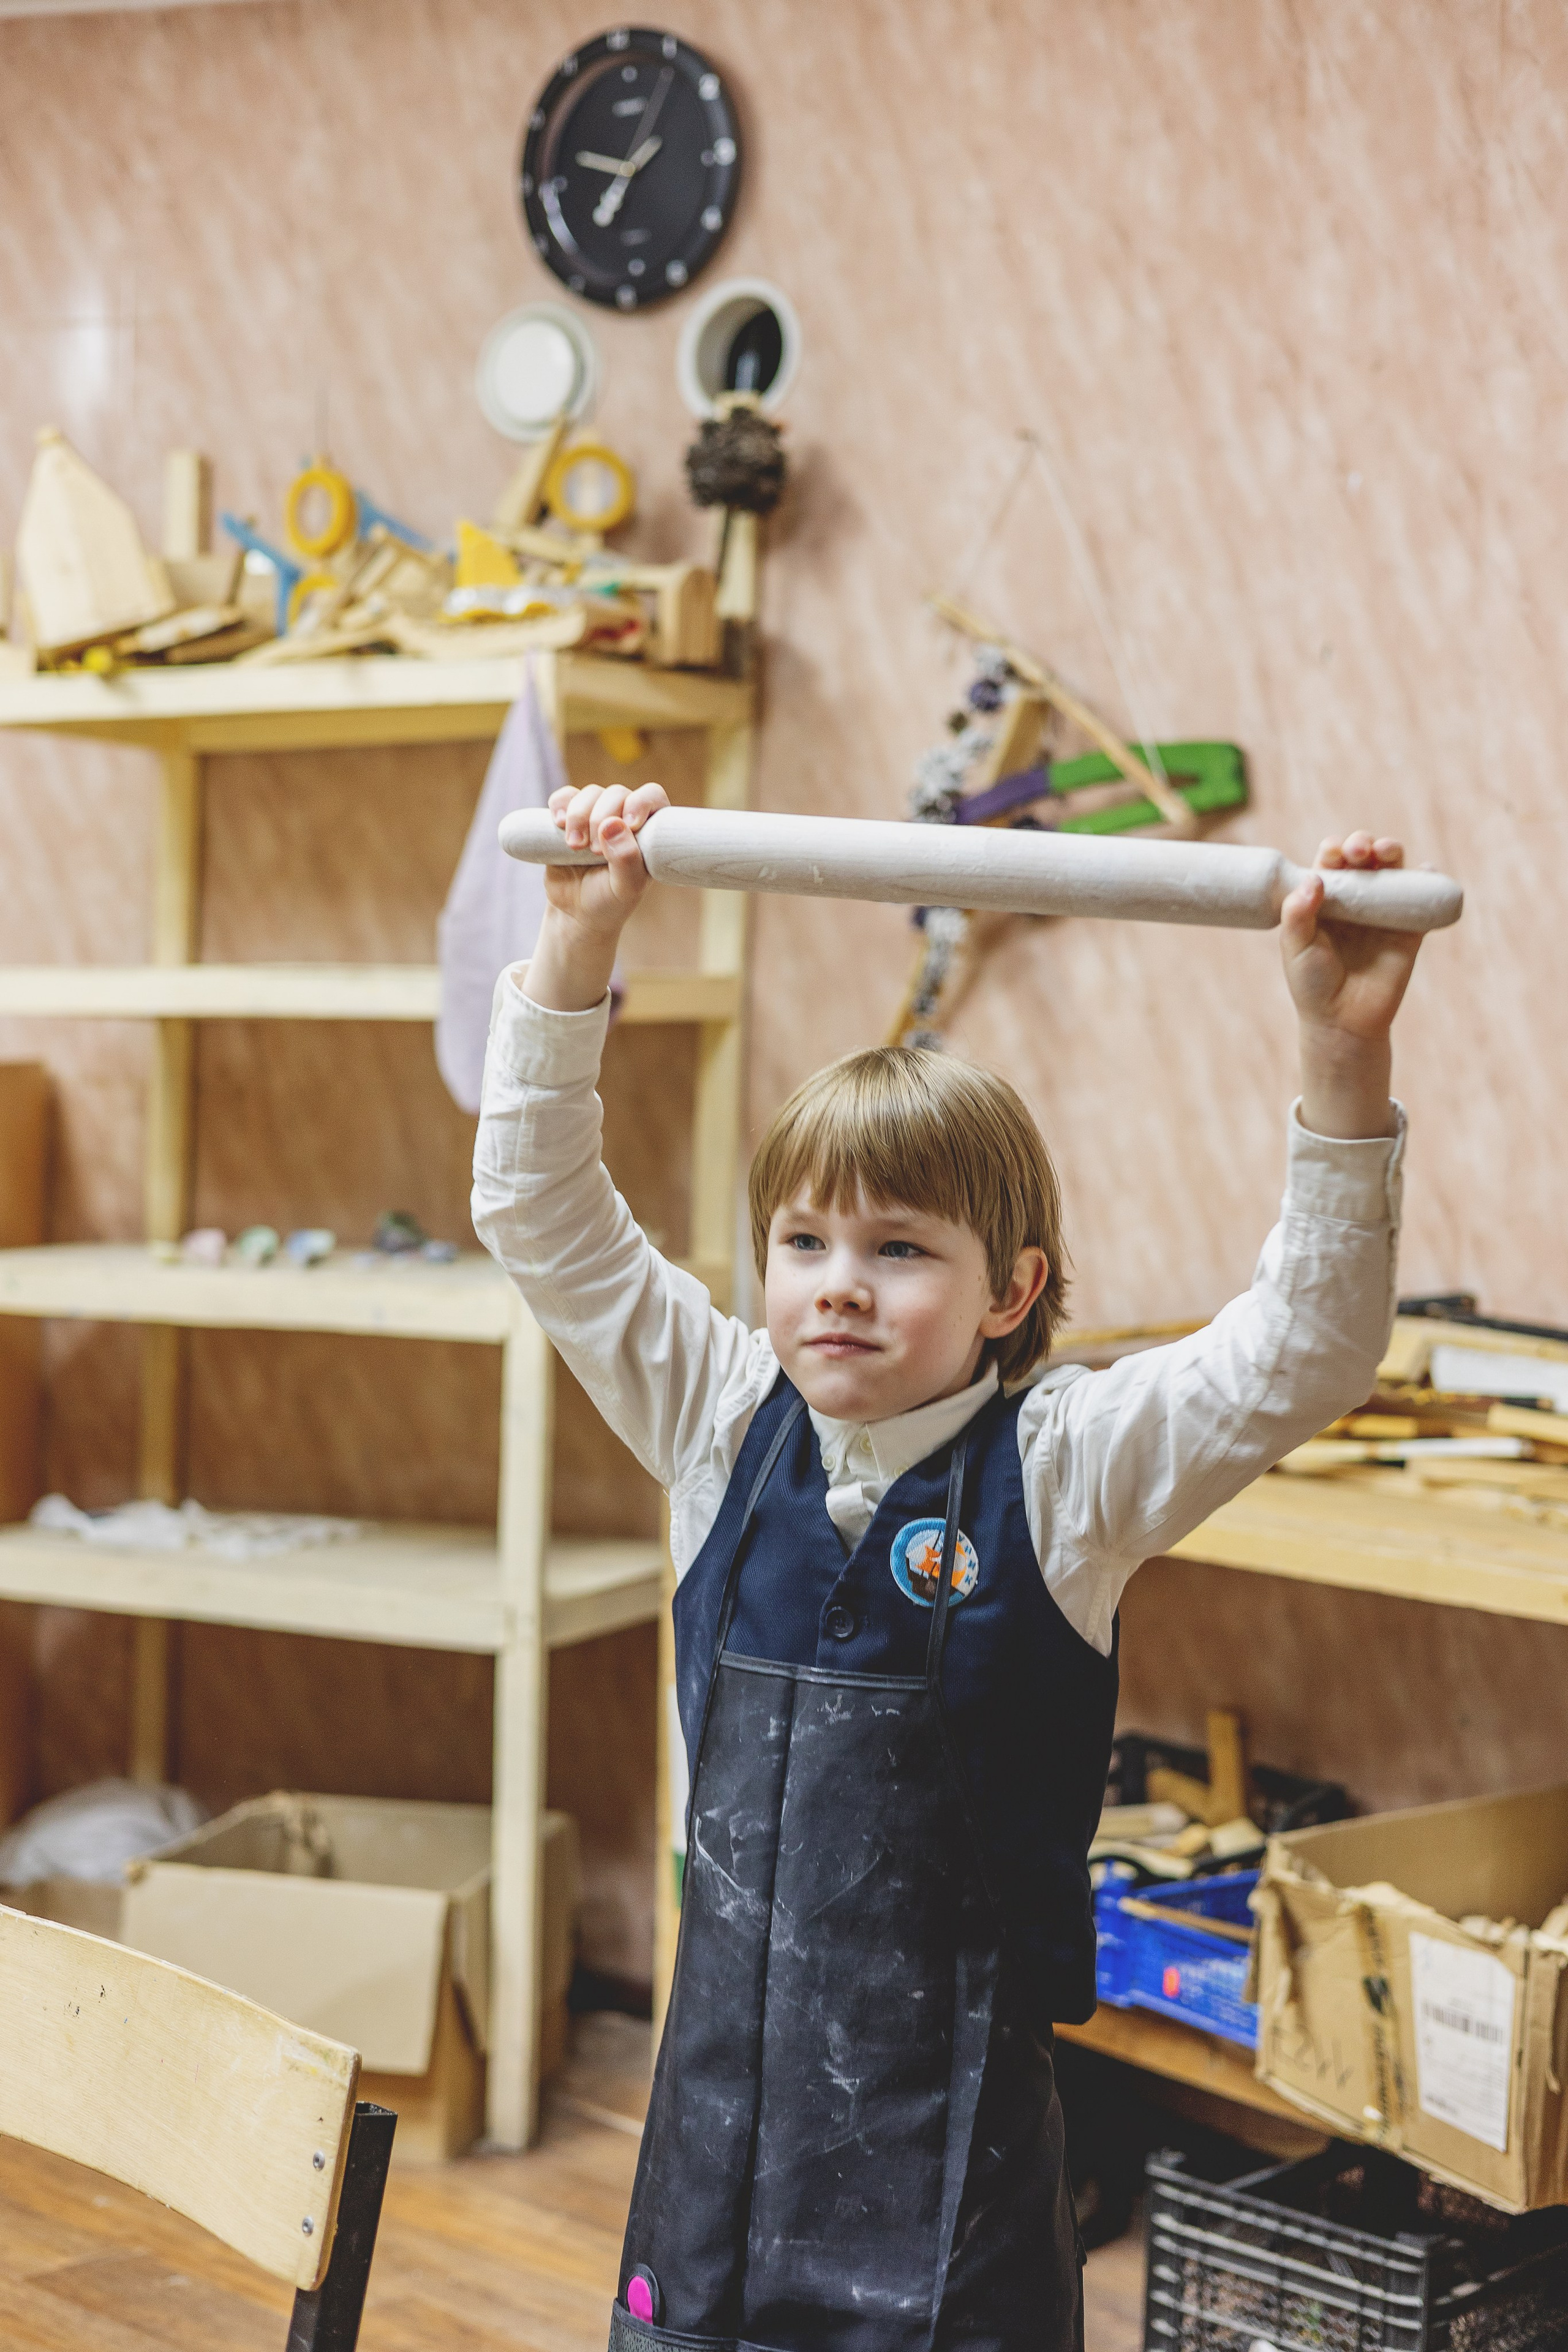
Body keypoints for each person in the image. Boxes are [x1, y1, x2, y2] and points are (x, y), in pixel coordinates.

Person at [473, 780, 1422, 2352]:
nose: (838, 1291)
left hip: (952, 2197)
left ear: (1011, 1289)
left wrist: (1341, 1049)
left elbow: (1305, 1345)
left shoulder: (1069, 1470)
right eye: (804, 1244)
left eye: (899, 1249)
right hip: (711, 2153)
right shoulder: (718, 1422)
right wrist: (577, 944)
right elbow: (538, 1208)